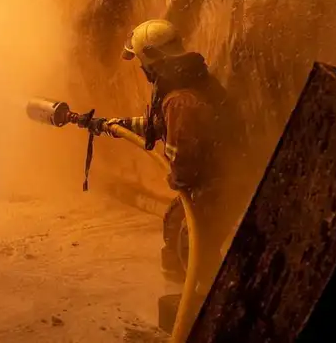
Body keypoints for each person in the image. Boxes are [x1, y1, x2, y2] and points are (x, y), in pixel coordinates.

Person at [101, 19, 244, 283]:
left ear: (150, 58)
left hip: (212, 188)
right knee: (178, 230)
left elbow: (184, 156)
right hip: (219, 182)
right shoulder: (191, 82)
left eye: (141, 61)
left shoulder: (178, 99)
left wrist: (178, 181)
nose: (141, 68)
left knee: (192, 249)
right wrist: (121, 126)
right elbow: (162, 124)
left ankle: (200, 300)